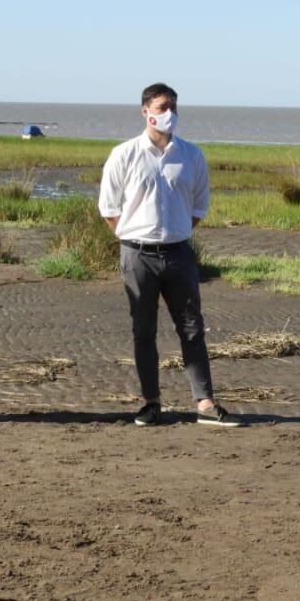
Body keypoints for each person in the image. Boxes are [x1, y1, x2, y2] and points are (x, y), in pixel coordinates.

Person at [98, 83, 237, 427]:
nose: (168, 113)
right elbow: (108, 207)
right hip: (137, 255)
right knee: (143, 330)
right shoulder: (124, 154)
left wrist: (174, 233)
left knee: (192, 328)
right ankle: (151, 403)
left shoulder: (191, 155)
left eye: (173, 106)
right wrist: (134, 235)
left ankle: (205, 403)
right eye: (161, 106)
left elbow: (198, 206)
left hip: (179, 254)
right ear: (146, 111)